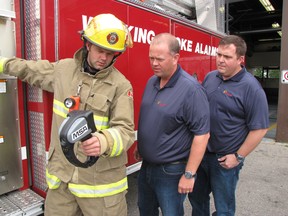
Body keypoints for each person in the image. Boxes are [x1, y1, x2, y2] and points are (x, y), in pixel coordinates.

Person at [0, 13, 135, 216]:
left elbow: (125, 131)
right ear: (87, 44)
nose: (104, 58)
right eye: (100, 50)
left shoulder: (121, 86)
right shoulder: (63, 70)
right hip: (62, 181)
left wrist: (104, 141)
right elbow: (31, 70)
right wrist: (4, 64)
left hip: (99, 186)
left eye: (110, 53)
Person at [188, 35, 269, 216]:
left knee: (224, 207)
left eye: (227, 57)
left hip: (224, 160)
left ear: (240, 59)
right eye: (218, 55)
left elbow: (260, 128)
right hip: (201, 155)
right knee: (197, 200)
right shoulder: (210, 77)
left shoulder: (251, 88)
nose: (220, 60)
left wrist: (238, 157)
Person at [135, 33, 210, 216]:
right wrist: (142, 146)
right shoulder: (152, 81)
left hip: (171, 170)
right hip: (146, 167)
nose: (154, 63)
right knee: (145, 210)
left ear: (176, 58)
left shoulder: (191, 90)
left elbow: (202, 135)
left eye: (159, 59)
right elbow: (151, 118)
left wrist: (189, 174)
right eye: (151, 58)